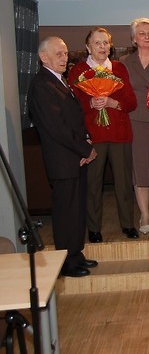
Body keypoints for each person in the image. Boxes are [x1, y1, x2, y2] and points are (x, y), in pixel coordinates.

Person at [28, 36, 98, 277]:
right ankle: (65, 262)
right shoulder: (42, 85)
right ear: (43, 57)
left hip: (74, 157)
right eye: (58, 54)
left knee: (76, 209)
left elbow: (74, 118)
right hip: (63, 160)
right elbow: (56, 127)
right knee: (66, 212)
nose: (64, 58)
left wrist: (86, 140)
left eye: (66, 53)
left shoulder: (59, 80)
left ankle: (76, 254)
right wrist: (85, 150)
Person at [67, 27, 138, 243]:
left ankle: (128, 224)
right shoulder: (78, 70)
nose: (102, 46)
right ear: (88, 47)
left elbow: (131, 102)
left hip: (119, 134)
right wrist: (90, 103)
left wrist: (113, 102)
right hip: (92, 136)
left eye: (105, 42)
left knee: (124, 183)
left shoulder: (119, 68)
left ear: (111, 46)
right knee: (92, 184)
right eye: (97, 43)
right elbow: (71, 106)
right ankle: (94, 228)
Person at [121, 17, 149, 235]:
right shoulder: (123, 62)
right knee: (140, 170)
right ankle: (145, 215)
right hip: (135, 120)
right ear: (133, 38)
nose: (147, 37)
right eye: (142, 33)